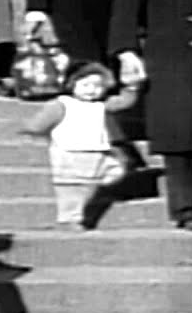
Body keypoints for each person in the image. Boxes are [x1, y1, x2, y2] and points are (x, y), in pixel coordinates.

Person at [108, 0, 192, 231]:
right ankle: (187, 208)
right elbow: (125, 13)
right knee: (178, 136)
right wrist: (127, 52)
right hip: (169, 56)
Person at [20, 61, 140, 230]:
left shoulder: (101, 105)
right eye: (85, 85)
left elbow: (123, 102)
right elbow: (42, 121)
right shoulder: (62, 104)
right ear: (72, 85)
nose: (91, 89)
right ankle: (69, 219)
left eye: (97, 86)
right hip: (67, 152)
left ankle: (79, 208)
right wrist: (32, 130)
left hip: (96, 150)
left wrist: (131, 87)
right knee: (71, 188)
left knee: (113, 171)